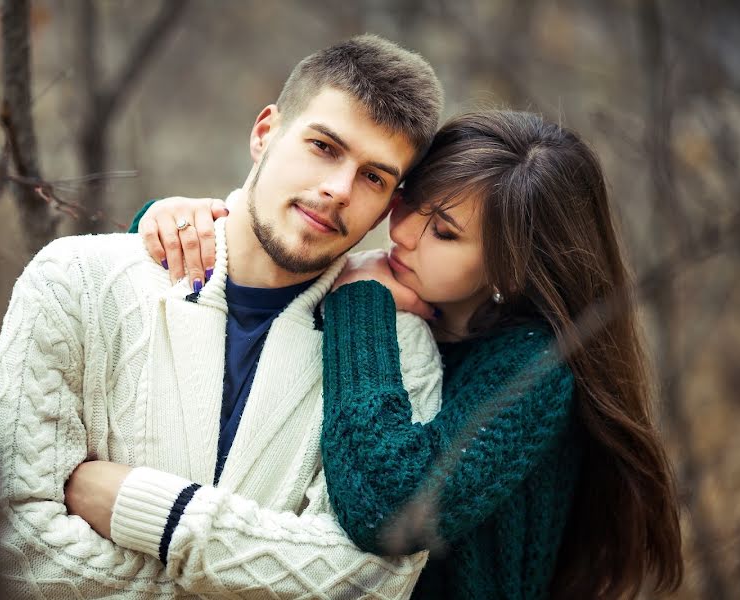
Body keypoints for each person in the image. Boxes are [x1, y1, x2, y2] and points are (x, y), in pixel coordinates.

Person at [133, 110, 684, 598]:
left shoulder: (536, 368)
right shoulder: (414, 296)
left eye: (443, 231)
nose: (403, 234)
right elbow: (246, 293)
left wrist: (359, 304)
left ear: (512, 265)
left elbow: (387, 509)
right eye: (410, 204)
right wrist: (173, 226)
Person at [0, 35, 445, 598]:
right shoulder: (75, 280)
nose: (338, 189)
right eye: (323, 146)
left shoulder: (397, 348)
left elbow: (372, 582)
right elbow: (5, 544)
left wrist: (157, 516)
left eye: (373, 177)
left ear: (389, 204)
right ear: (264, 132)